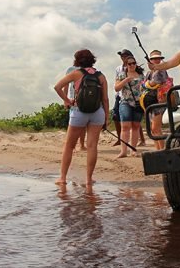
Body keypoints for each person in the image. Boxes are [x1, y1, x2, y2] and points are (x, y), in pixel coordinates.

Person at [53, 49, 109, 187]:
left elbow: (57, 87)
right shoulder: (101, 76)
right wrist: (106, 119)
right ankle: (89, 179)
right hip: (97, 112)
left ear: (77, 61)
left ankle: (62, 178)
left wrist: (67, 100)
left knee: (69, 146)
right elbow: (105, 99)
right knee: (92, 146)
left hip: (79, 111)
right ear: (92, 60)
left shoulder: (76, 73)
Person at [112, 49, 146, 147]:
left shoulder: (140, 75)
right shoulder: (119, 70)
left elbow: (144, 88)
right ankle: (121, 142)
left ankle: (140, 141)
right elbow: (116, 87)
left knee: (136, 125)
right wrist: (126, 80)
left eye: (133, 63)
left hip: (138, 101)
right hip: (123, 97)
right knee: (119, 119)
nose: (123, 57)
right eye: (122, 55)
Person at [144, 50, 170, 150]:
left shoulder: (161, 70)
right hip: (151, 102)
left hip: (159, 101)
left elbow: (153, 83)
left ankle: (162, 150)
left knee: (156, 128)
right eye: (153, 59)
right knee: (153, 129)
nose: (156, 60)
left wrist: (146, 84)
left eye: (158, 58)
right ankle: (158, 149)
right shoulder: (149, 73)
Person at [65, 62, 86, 151]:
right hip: (73, 100)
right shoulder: (70, 69)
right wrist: (65, 100)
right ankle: (71, 145)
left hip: (85, 99)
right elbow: (65, 85)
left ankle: (81, 144)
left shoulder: (87, 69)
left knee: (83, 124)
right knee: (73, 123)